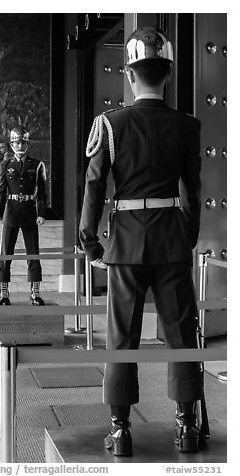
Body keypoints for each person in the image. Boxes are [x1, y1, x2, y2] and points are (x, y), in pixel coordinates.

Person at [79, 26, 203, 456]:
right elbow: (193, 192)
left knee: (122, 338)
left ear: (130, 76)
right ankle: (185, 426)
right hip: (170, 240)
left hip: (126, 243)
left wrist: (90, 242)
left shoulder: (110, 125)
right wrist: (184, 238)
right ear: (166, 74)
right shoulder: (187, 125)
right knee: (181, 336)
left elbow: (94, 187)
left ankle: (120, 430)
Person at [0, 127, 47, 305]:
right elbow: (0, 192)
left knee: (33, 253)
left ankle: (35, 292)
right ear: (11, 144)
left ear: (27, 144)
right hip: (11, 212)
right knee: (5, 254)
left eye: (23, 142)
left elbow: (42, 193)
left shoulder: (37, 165)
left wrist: (42, 214)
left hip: (30, 212)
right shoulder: (5, 165)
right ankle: (4, 292)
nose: (20, 145)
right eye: (17, 142)